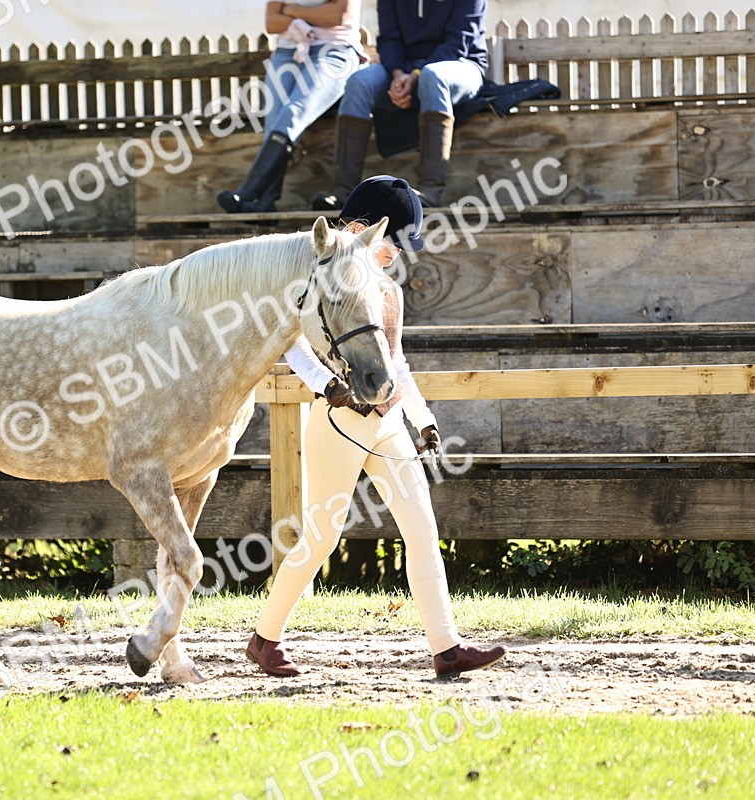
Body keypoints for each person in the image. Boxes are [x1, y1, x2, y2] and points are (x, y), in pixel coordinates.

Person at [247, 175, 505, 678]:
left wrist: (423, 419)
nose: (398, 254)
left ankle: (447, 647)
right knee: (322, 537)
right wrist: (327, 385)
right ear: (361, 229)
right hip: (339, 421)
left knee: (422, 529)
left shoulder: (388, 291)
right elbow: (292, 344)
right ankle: (265, 638)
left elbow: (396, 362)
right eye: (393, 242)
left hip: (387, 423)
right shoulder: (321, 281)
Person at [310, 0, 488, 210]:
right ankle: (342, 193)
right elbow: (389, 39)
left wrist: (415, 76)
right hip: (402, 69)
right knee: (358, 82)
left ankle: (430, 191)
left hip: (460, 64)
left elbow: (458, 42)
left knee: (433, 76)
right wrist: (398, 75)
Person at [217, 0, 363, 214]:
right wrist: (312, 14)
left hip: (334, 51)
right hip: (287, 53)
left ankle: (247, 192)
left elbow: (337, 16)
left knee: (293, 112)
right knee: (274, 122)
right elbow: (272, 23)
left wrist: (291, 10)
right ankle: (265, 202)